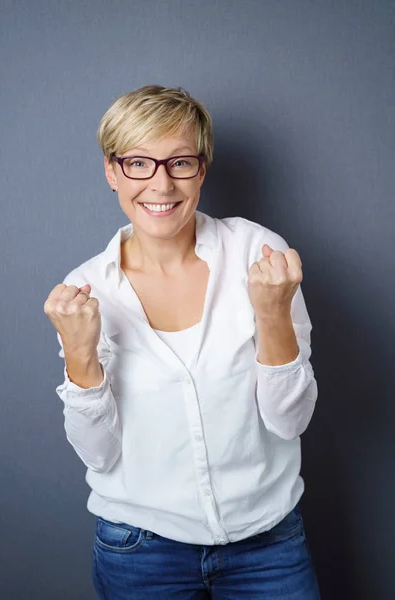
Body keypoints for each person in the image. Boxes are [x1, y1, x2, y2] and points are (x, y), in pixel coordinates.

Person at [44, 84, 321, 599]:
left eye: (180, 163)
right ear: (112, 172)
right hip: (140, 551)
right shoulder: (87, 289)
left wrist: (273, 312)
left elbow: (290, 420)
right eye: (138, 164)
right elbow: (99, 456)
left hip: (268, 543)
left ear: (203, 169)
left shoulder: (258, 254)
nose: (161, 184)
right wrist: (81, 356)